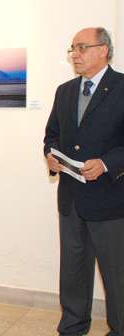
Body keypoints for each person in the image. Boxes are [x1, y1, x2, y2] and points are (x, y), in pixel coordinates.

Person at [44, 27, 124, 335]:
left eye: (82, 47)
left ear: (103, 49)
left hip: (110, 199)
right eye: (72, 49)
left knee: (116, 274)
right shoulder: (64, 91)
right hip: (71, 199)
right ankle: (73, 326)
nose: (75, 54)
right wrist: (51, 157)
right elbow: (51, 134)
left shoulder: (121, 87)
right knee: (73, 271)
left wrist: (106, 163)